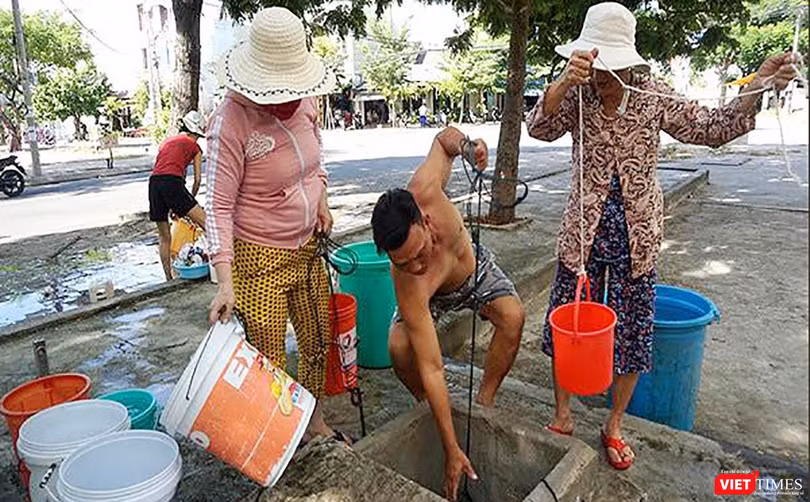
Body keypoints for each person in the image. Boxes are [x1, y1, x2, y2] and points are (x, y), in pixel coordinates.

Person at [525, 2, 800, 471]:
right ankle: (563, 412)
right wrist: (562, 84)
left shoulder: (651, 93)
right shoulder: (576, 91)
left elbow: (713, 128)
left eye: (609, 64)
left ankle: (613, 423)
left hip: (637, 233)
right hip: (583, 231)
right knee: (567, 324)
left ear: (629, 60)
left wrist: (756, 85)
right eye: (595, 61)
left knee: (632, 332)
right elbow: (539, 127)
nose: (602, 73)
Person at [205, 7, 349, 446]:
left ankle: (313, 420)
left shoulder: (305, 102)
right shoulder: (231, 120)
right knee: (269, 356)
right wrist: (224, 283)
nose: (287, 98)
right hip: (256, 258)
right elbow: (217, 206)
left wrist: (320, 198)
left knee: (317, 338)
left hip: (307, 247)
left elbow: (315, 161)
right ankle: (279, 436)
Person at [371, 126, 526, 501]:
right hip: (432, 300)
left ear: (424, 221)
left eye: (419, 253)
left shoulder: (424, 188)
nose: (417, 265)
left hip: (472, 272)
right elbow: (433, 366)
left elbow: (445, 140)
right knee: (398, 346)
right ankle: (427, 407)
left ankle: (485, 401)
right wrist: (451, 447)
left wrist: (469, 147)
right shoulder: (409, 282)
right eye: (403, 262)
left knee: (513, 316)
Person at [148, 110, 207, 281]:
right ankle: (222, 267)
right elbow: (196, 180)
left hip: (154, 184)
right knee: (206, 222)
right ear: (194, 133)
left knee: (164, 236)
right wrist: (191, 202)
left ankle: (168, 278)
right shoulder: (194, 146)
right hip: (171, 182)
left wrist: (178, 206)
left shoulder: (166, 143)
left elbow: (164, 169)